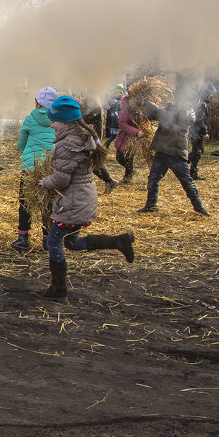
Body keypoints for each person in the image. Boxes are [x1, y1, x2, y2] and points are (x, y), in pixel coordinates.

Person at [38, 95, 135, 303]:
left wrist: (45, 182)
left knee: (54, 240)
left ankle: (59, 289)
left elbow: (62, 179)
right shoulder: (83, 136)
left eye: (53, 121)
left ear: (64, 121)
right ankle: (119, 241)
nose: (51, 124)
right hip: (83, 197)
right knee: (71, 242)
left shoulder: (67, 145)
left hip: (73, 200)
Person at [137, 98, 211, 216]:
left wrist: (148, 103)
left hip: (176, 153)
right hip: (162, 151)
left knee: (186, 181)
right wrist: (143, 105)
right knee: (153, 179)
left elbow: (164, 115)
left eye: (185, 100)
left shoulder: (188, 115)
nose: (181, 102)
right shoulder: (171, 109)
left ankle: (199, 207)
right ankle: (151, 205)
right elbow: (155, 115)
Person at [11, 87, 57, 251]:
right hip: (50, 167)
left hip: (30, 169)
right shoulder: (57, 120)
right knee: (48, 204)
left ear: (37, 102)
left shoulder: (30, 118)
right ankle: (48, 240)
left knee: (25, 202)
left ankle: (23, 238)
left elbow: (21, 143)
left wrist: (24, 153)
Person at [188, 83, 215, 180]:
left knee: (199, 151)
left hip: (196, 131)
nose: (212, 96)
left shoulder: (201, 103)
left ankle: (191, 170)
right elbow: (200, 120)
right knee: (197, 152)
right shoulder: (201, 105)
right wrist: (204, 132)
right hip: (196, 132)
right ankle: (187, 165)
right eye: (211, 93)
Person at [112, 89, 138, 184]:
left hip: (133, 140)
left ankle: (128, 177)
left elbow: (145, 122)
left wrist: (140, 132)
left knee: (129, 158)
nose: (132, 102)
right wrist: (136, 131)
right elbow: (122, 124)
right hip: (124, 137)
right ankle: (131, 170)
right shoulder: (125, 110)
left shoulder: (140, 110)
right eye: (131, 100)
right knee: (119, 158)